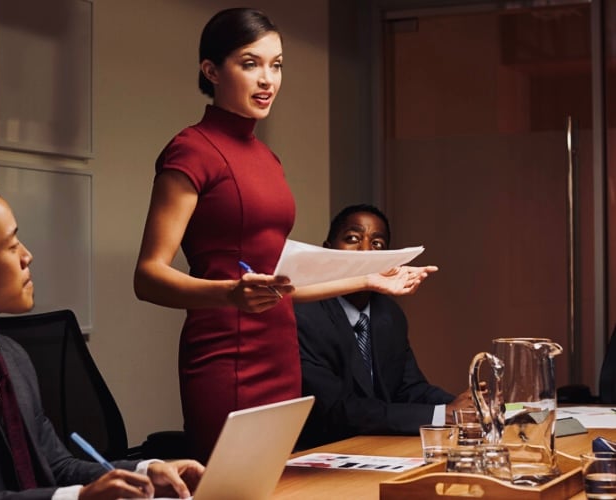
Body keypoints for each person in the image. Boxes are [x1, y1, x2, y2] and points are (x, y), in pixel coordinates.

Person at [134, 7, 436, 461]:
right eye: (250, 63)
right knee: (233, 486)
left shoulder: (267, 160)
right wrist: (231, 295)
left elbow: (279, 284)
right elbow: (148, 276)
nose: (267, 79)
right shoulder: (191, 150)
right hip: (225, 354)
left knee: (279, 483)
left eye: (276, 65)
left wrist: (368, 281)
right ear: (211, 70)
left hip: (280, 352)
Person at [0, 175, 204, 499]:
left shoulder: (11, 356)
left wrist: (146, 473)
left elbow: (55, 466)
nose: (26, 256)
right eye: (12, 245)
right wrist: (78, 498)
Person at [295, 204, 475, 448]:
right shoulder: (305, 315)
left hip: (376, 448)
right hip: (320, 454)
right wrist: (443, 415)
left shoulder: (388, 314)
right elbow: (338, 410)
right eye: (352, 238)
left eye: (377, 244)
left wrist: (463, 407)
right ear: (328, 250)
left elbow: (409, 388)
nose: (365, 250)